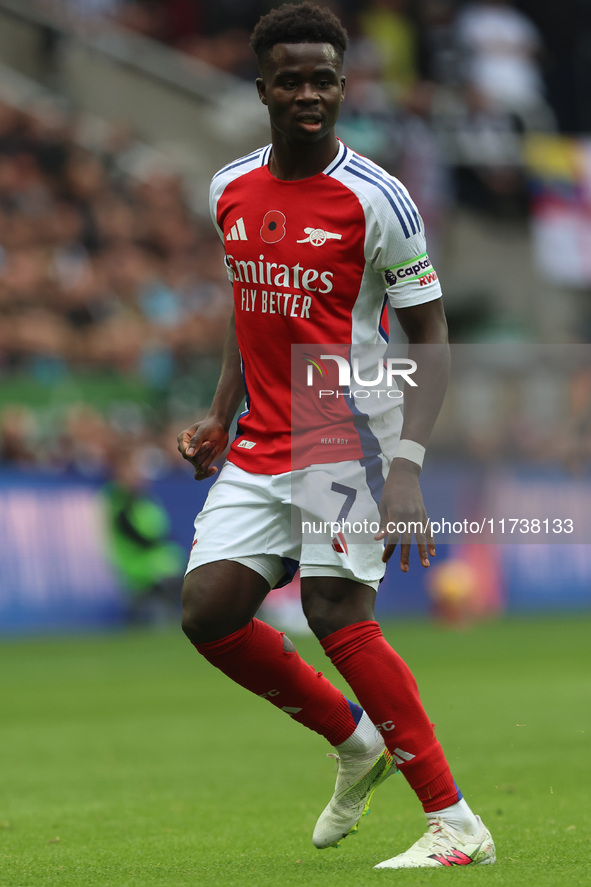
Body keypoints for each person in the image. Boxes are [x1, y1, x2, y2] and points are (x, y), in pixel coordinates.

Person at [177, 2, 495, 870]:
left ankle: (454, 821)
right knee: (209, 613)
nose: (308, 93)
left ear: (343, 86)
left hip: (340, 426)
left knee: (333, 611)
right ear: (263, 89)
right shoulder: (228, 187)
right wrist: (217, 409)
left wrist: (407, 468)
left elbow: (429, 334)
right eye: (291, 80)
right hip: (258, 435)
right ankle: (354, 742)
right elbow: (251, 310)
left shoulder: (379, 200)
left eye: (323, 78)